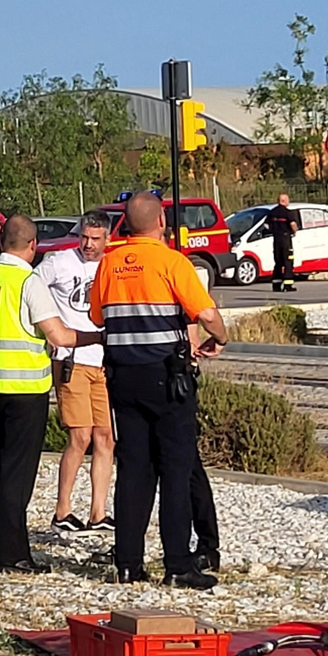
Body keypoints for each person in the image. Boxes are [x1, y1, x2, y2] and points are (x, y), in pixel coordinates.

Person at [90, 192, 229, 590]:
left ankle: (128, 563)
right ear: (161, 223)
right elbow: (205, 313)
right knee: (175, 469)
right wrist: (220, 338)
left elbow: (96, 316)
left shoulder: (109, 263)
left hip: (122, 378)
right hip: (167, 378)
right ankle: (178, 564)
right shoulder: (172, 262)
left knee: (133, 471)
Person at [0, 216, 101, 574]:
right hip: (25, 386)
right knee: (18, 473)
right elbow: (59, 336)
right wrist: (100, 336)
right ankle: (12, 554)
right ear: (32, 245)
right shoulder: (28, 281)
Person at [34, 209, 115, 535]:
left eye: (95, 238)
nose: (88, 244)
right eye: (84, 237)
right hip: (72, 359)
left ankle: (98, 512)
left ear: (107, 238)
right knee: (80, 436)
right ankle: (63, 509)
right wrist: (51, 332)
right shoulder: (59, 262)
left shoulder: (111, 265)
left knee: (105, 437)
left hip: (104, 362)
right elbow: (31, 289)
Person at [266, 193, 299, 293]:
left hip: (276, 240)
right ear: (284, 201)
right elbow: (293, 224)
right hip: (286, 240)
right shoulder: (288, 213)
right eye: (288, 200)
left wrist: (273, 230)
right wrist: (294, 231)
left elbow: (266, 225)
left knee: (278, 262)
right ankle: (288, 285)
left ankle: (276, 285)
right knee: (288, 262)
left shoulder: (272, 212)